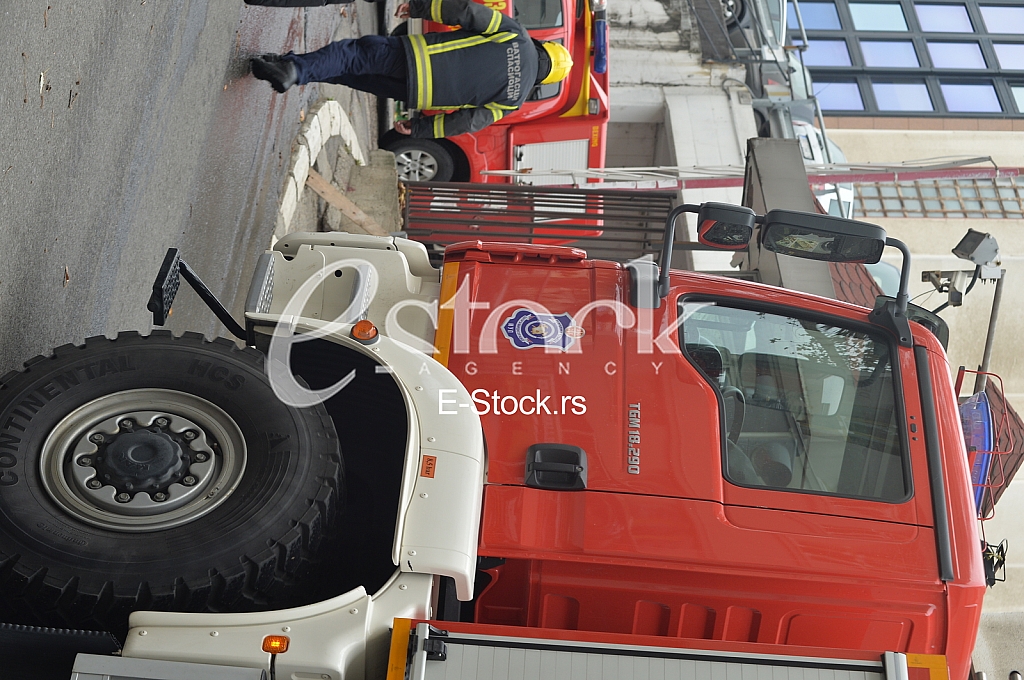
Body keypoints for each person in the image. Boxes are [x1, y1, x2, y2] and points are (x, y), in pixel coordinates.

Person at [250, 0, 573, 139]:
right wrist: (419, 130)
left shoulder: (516, 35)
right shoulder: (514, 100)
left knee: (351, 54)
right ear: (546, 78)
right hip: (414, 93)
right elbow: (469, 122)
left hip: (415, 57)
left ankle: (292, 69)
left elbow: (466, 12)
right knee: (350, 73)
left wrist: (419, 6)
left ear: (545, 48)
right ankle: (285, 64)